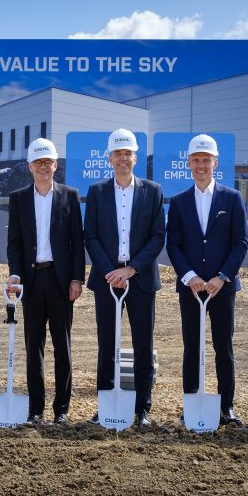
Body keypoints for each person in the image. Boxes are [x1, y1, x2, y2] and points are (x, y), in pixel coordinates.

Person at [84, 128, 165, 428]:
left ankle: (142, 408)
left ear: (135, 158)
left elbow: (157, 237)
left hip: (140, 279)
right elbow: (90, 235)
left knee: (143, 344)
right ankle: (106, 404)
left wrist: (131, 269)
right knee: (107, 345)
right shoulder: (97, 191)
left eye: (128, 153)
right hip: (107, 278)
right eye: (118, 154)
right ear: (109, 158)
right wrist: (111, 271)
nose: (123, 158)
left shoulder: (153, 191)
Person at [166, 134, 248, 426]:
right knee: (192, 346)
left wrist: (221, 277)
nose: (201, 165)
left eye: (206, 160)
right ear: (189, 163)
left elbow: (240, 243)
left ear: (215, 163)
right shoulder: (179, 202)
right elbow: (174, 244)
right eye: (196, 160)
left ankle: (227, 406)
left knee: (223, 347)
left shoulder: (232, 198)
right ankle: (192, 401)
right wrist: (190, 277)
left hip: (221, 289)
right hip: (191, 288)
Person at [5, 139, 85, 425]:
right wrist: (15, 274)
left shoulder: (69, 196)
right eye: (38, 162)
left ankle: (61, 409)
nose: (43, 167)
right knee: (33, 347)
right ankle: (35, 409)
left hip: (60, 281)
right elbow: (14, 243)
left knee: (63, 347)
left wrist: (77, 278)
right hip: (32, 280)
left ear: (55, 165)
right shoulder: (18, 198)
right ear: (30, 166)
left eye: (47, 162)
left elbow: (77, 242)